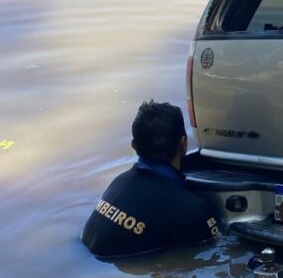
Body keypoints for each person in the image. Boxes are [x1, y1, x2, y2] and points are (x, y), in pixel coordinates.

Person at [81, 100, 219, 258]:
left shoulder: (119, 182)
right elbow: (211, 253)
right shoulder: (192, 208)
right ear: (183, 144)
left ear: (134, 146)